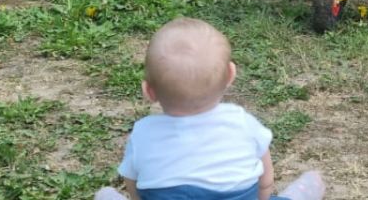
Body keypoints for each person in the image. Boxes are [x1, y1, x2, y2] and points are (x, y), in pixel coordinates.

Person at [95, 18, 325, 200]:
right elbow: (265, 180)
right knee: (308, 184)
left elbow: (132, 184)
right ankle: (309, 187)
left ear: (149, 91)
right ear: (231, 76)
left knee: (104, 195)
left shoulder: (143, 132)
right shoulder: (241, 122)